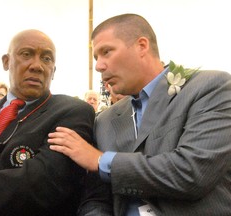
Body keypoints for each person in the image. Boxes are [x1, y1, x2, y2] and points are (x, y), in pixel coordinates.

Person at [48, 13, 231, 215]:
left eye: (106, 52)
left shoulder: (211, 87)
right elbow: (97, 198)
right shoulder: (105, 120)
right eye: (96, 58)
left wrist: (101, 161)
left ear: (142, 46)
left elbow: (193, 172)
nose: (99, 65)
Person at [0, 29, 95, 215]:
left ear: (53, 71)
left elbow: (41, 185)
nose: (37, 66)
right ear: (6, 62)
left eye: (47, 59)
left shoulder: (71, 112)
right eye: (26, 54)